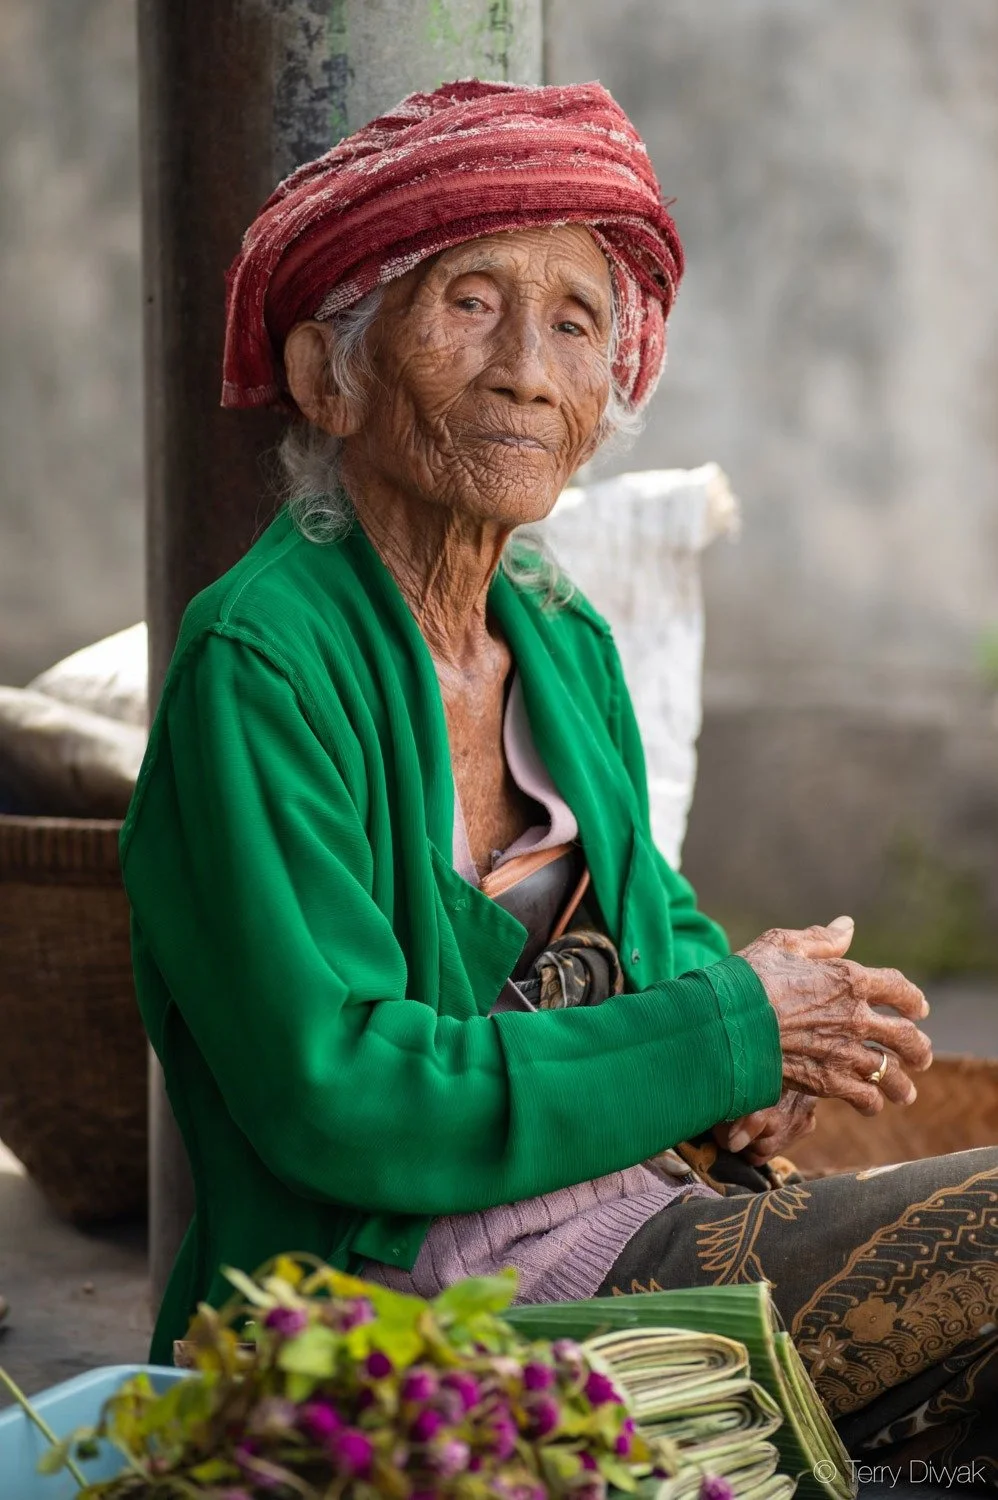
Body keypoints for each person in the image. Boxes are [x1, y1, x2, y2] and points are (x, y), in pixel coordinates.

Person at [122, 80, 996, 1471]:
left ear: (610, 386)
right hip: (408, 1313)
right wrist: (722, 1029)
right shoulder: (263, 658)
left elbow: (656, 941)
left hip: (628, 1215)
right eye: (470, 302)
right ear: (326, 372)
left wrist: (761, 1062)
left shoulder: (556, 631)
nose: (529, 364)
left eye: (576, 321)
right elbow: (336, 1094)